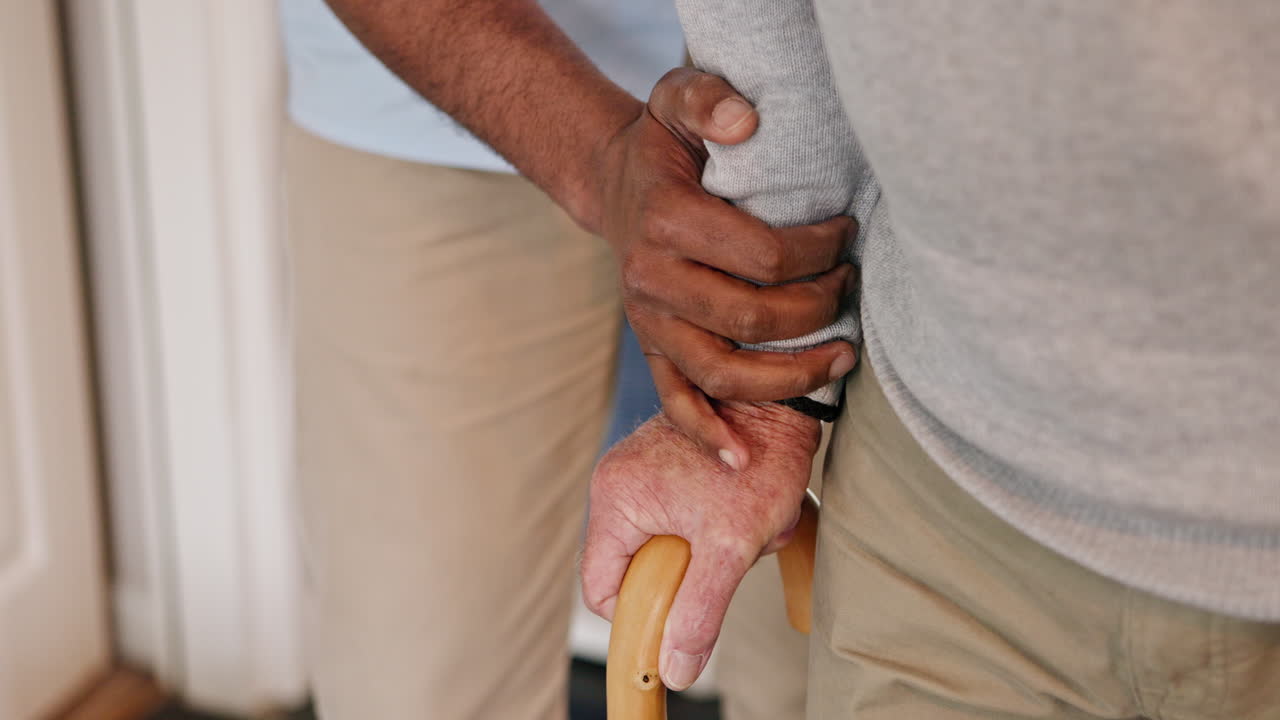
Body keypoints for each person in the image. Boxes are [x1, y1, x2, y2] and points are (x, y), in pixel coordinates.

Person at [328, 1, 1280, 718]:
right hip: (463, 93)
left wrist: (764, 363)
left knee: (780, 674)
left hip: (861, 208)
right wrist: (757, 373)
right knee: (425, 667)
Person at [278, 1, 809, 719]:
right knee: (428, 679)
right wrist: (600, 158)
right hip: (436, 102)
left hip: (812, 117)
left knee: (822, 665)